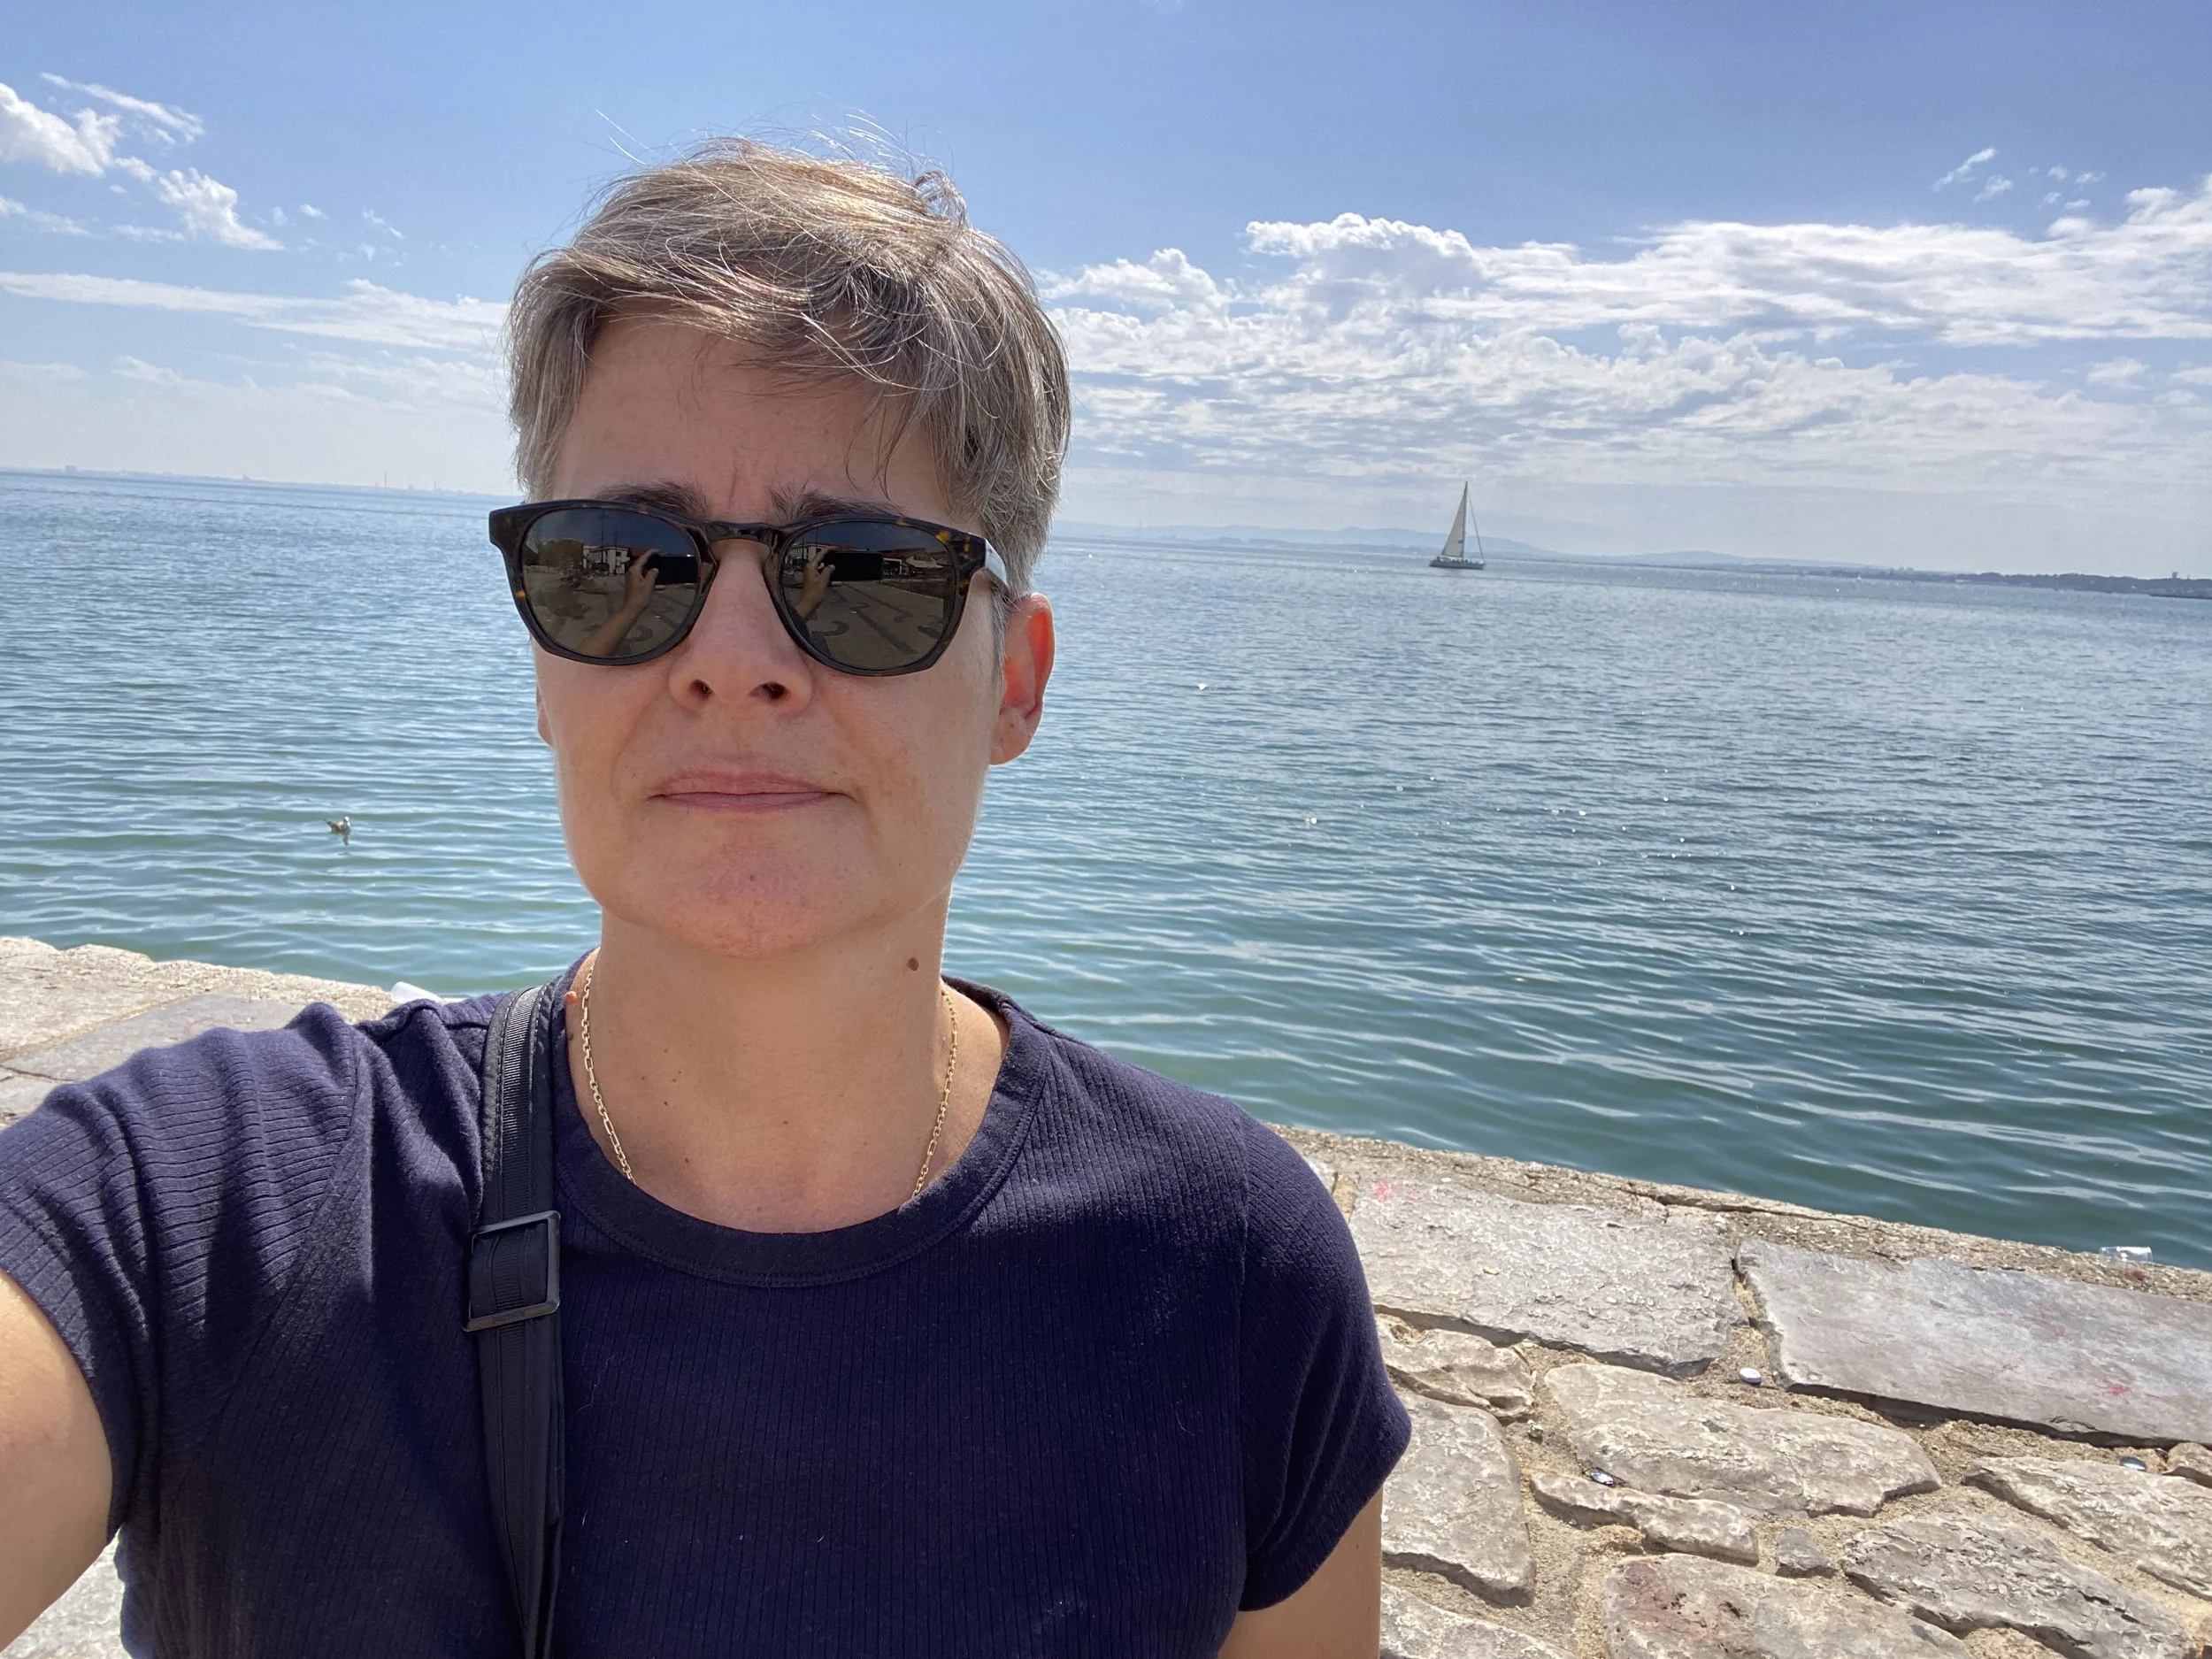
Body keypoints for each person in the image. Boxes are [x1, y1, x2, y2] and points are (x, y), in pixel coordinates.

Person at [0, 140, 1407, 1656]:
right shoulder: (210, 1203)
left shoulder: (1228, 1278)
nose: (732, 659)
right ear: (543, 665)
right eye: (622, 563)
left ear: (1015, 677)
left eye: (863, 571)